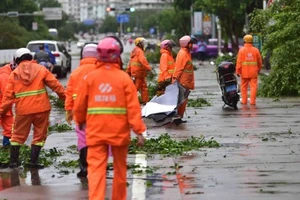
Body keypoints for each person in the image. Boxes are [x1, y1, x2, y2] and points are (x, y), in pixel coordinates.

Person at [73, 37, 146, 200]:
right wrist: (139, 131)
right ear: (117, 55)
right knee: (120, 171)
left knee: (96, 171)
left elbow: (79, 105)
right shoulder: (124, 79)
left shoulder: (90, 78)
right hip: (119, 135)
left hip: (95, 133)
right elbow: (133, 108)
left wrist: (80, 121)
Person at [0, 48, 65, 169]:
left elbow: (8, 98)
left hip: (23, 111)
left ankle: (14, 162)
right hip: (42, 110)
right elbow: (56, 85)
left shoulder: (14, 74)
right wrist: (65, 99)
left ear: (17, 60)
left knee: (16, 137)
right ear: (31, 57)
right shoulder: (41, 69)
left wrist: (1, 111)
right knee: (39, 136)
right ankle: (33, 162)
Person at [65, 44, 99, 177]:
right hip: (98, 111)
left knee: (83, 138)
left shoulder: (75, 73)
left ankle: (84, 167)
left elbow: (69, 93)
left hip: (80, 112)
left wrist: (68, 110)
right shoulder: (101, 70)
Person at [172, 35, 198, 123]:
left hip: (186, 81)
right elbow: (179, 68)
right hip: (182, 82)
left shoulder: (186, 53)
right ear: (186, 44)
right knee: (180, 100)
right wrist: (175, 78)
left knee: (183, 101)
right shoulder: (183, 54)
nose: (192, 45)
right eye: (191, 43)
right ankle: (176, 118)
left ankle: (179, 117)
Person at [236, 34, 262, 105]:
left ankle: (244, 101)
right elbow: (259, 61)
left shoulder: (241, 50)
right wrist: (259, 69)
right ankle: (252, 102)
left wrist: (238, 71)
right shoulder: (256, 50)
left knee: (244, 87)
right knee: (253, 87)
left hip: (244, 72)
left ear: (244, 41)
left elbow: (239, 62)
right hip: (253, 72)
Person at [126, 37, 152, 104]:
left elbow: (130, 63)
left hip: (138, 73)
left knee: (143, 88)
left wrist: (128, 72)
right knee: (136, 88)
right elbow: (143, 61)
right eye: (143, 43)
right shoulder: (139, 51)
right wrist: (149, 68)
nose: (144, 44)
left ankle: (145, 102)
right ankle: (131, 102)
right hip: (138, 73)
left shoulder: (134, 51)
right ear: (139, 44)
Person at [0, 61, 17, 147]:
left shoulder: (9, 73)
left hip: (5, 106)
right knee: (10, 129)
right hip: (4, 106)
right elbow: (7, 96)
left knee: (10, 129)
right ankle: (7, 149)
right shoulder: (5, 76)